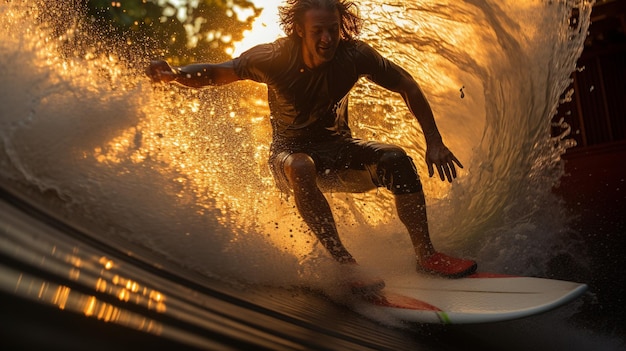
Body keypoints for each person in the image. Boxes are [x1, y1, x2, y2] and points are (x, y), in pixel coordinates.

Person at [146, 0, 477, 290]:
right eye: (318, 31)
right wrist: (175, 73)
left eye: (333, 30)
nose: (327, 39)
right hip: (289, 157)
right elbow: (218, 72)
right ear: (299, 31)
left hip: (338, 150)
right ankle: (346, 266)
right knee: (301, 164)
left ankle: (427, 256)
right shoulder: (274, 57)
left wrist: (434, 141)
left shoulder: (355, 55)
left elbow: (406, 84)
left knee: (396, 160)